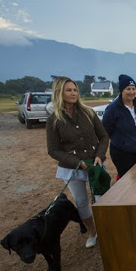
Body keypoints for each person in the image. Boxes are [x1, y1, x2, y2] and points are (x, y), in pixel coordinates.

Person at [46, 76, 109, 248]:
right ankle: (93, 232)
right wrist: (76, 162)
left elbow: (103, 136)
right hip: (72, 168)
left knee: (102, 199)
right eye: (69, 90)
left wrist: (100, 156)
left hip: (95, 165)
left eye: (75, 90)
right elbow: (53, 149)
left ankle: (108, 231)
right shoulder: (54, 119)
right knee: (81, 202)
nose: (73, 93)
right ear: (59, 93)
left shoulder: (89, 112)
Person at [102, 74, 136, 178]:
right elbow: (105, 131)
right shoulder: (112, 109)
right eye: (128, 89)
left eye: (133, 88)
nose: (131, 92)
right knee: (128, 181)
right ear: (122, 90)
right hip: (122, 153)